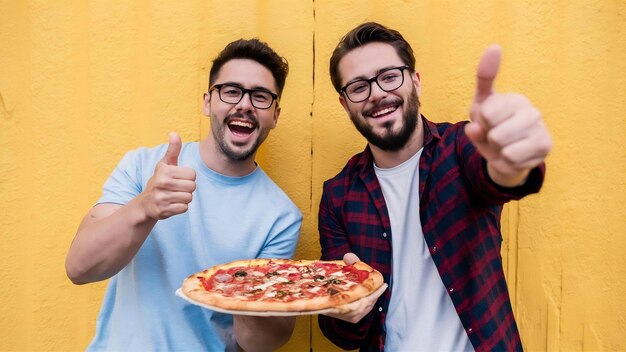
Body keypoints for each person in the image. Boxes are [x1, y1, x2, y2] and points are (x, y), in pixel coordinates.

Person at [317, 22, 552, 351]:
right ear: (345, 104)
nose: (376, 94)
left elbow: (497, 176)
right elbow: (342, 336)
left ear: (415, 82)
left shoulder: (460, 146)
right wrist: (347, 305)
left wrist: (512, 162)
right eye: (358, 87)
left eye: (389, 76)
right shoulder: (338, 195)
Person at [65, 38, 302, 352]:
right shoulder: (142, 165)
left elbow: (257, 345)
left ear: (275, 115)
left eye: (260, 97)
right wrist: (145, 206)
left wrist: (248, 288)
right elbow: (79, 268)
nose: (244, 104)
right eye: (231, 91)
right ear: (207, 102)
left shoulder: (281, 216)